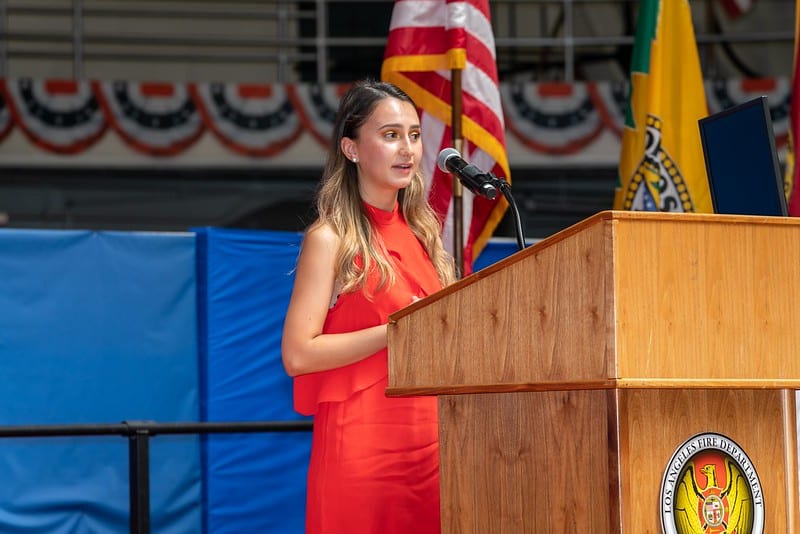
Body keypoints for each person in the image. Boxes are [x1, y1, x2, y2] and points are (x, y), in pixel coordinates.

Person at [281, 79, 456, 533]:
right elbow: (298, 354)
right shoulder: (329, 239)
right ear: (352, 148)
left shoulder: (425, 237)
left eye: (414, 135)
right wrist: (396, 330)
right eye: (391, 134)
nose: (408, 149)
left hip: (434, 450)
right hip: (363, 450)